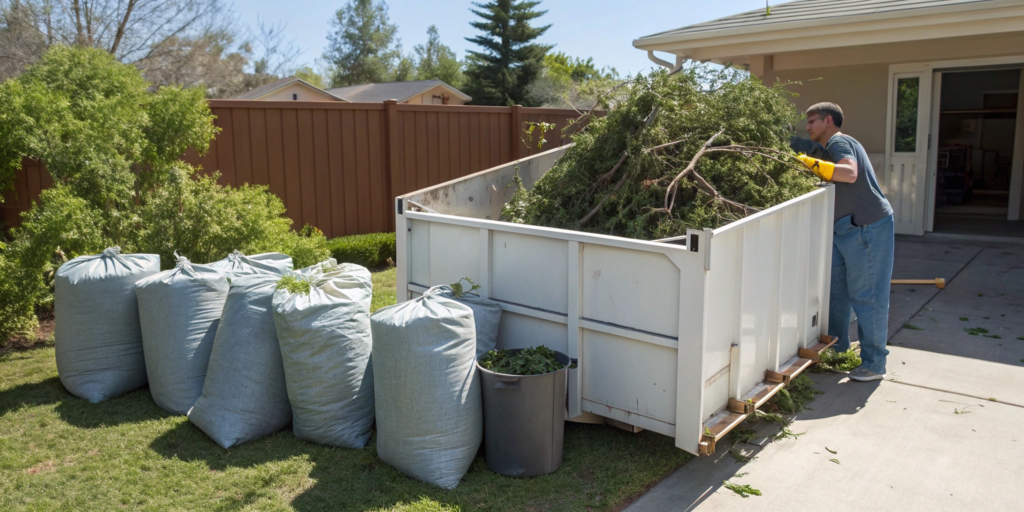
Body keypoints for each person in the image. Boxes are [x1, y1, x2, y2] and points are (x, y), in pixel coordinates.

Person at [791, 102, 893, 382]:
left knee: (867, 295)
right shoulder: (826, 148)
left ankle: (874, 364)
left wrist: (809, 164)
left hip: (866, 227)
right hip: (843, 228)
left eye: (812, 121)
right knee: (836, 293)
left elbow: (849, 173)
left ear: (828, 120)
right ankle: (838, 352)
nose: (808, 126)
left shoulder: (839, 142)